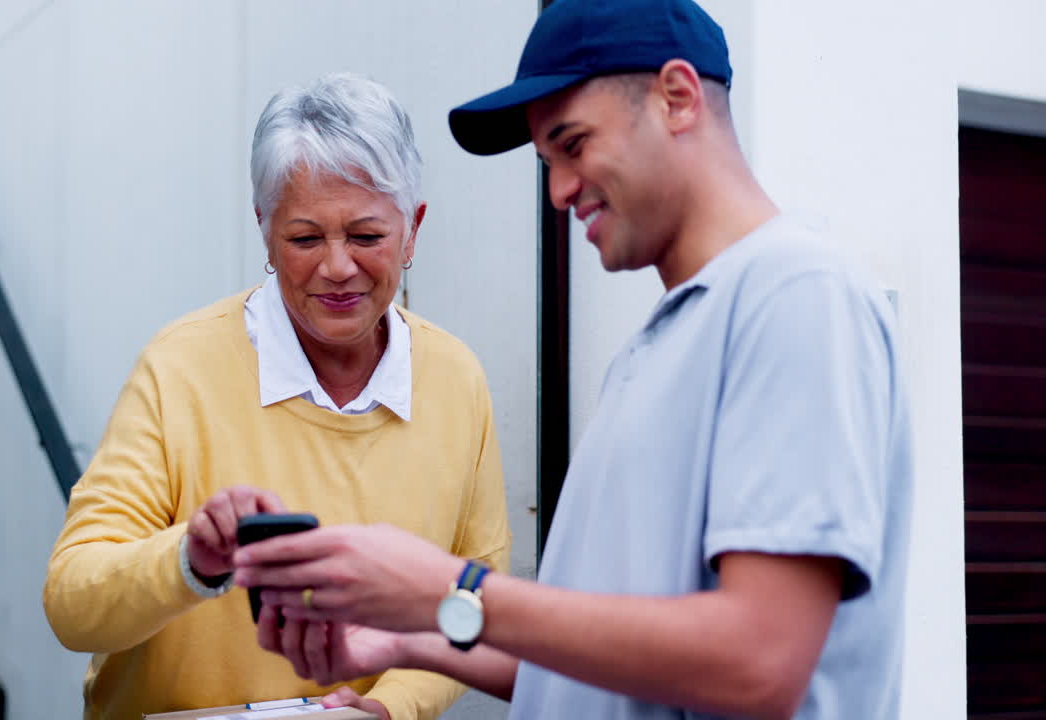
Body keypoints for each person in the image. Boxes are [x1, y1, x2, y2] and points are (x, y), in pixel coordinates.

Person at [233, 1, 913, 718]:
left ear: (677, 98)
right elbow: (610, 664)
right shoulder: (659, 347)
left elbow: (759, 660)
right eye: (547, 161)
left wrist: (453, 590)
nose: (558, 191)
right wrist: (406, 640)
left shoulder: (796, 296)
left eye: (574, 143)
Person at [42, 73, 511, 720]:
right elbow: (72, 604)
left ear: (413, 231)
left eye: (367, 236)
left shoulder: (455, 377)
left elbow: (474, 598)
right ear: (263, 229)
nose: (339, 266)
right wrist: (189, 560)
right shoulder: (181, 366)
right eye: (305, 238)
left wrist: (389, 707)